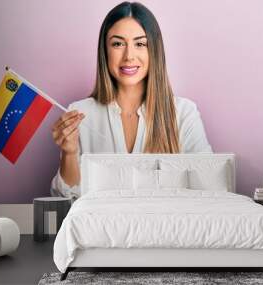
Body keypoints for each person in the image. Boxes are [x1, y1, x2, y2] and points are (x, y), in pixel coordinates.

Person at [50, 1, 212, 199]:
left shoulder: (184, 113)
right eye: (118, 44)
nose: (129, 56)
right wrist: (69, 153)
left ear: (154, 50)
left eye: (140, 44)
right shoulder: (80, 113)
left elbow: (209, 185)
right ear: (105, 51)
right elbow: (66, 198)